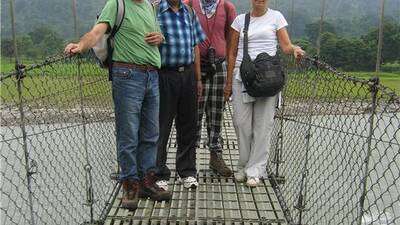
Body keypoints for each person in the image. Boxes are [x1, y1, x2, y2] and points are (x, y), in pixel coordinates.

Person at [64, 0, 172, 210]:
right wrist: (81, 45)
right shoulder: (117, 4)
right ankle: (130, 185)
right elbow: (97, 32)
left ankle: (147, 181)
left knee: (151, 133)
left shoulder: (149, 7)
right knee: (128, 134)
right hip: (128, 74)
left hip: (152, 75)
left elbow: (156, 34)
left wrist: (161, 38)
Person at [225, 0, 305, 187]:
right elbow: (231, 52)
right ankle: (243, 164)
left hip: (268, 77)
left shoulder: (276, 17)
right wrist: (228, 82)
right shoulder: (239, 20)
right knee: (240, 123)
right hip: (242, 77)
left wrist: (294, 50)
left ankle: (254, 171)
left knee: (263, 126)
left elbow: (286, 46)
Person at [155, 0, 206, 190]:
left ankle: (187, 172)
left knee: (188, 125)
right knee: (162, 125)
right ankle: (159, 173)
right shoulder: (154, 11)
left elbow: (195, 47)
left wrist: (198, 78)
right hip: (164, 74)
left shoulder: (190, 12)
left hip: (188, 74)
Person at [187, 0, 237, 177]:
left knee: (216, 114)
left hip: (219, 67)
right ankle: (189, 160)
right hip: (196, 66)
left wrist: (229, 81)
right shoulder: (189, 4)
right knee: (193, 115)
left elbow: (232, 45)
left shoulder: (227, 7)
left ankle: (215, 157)